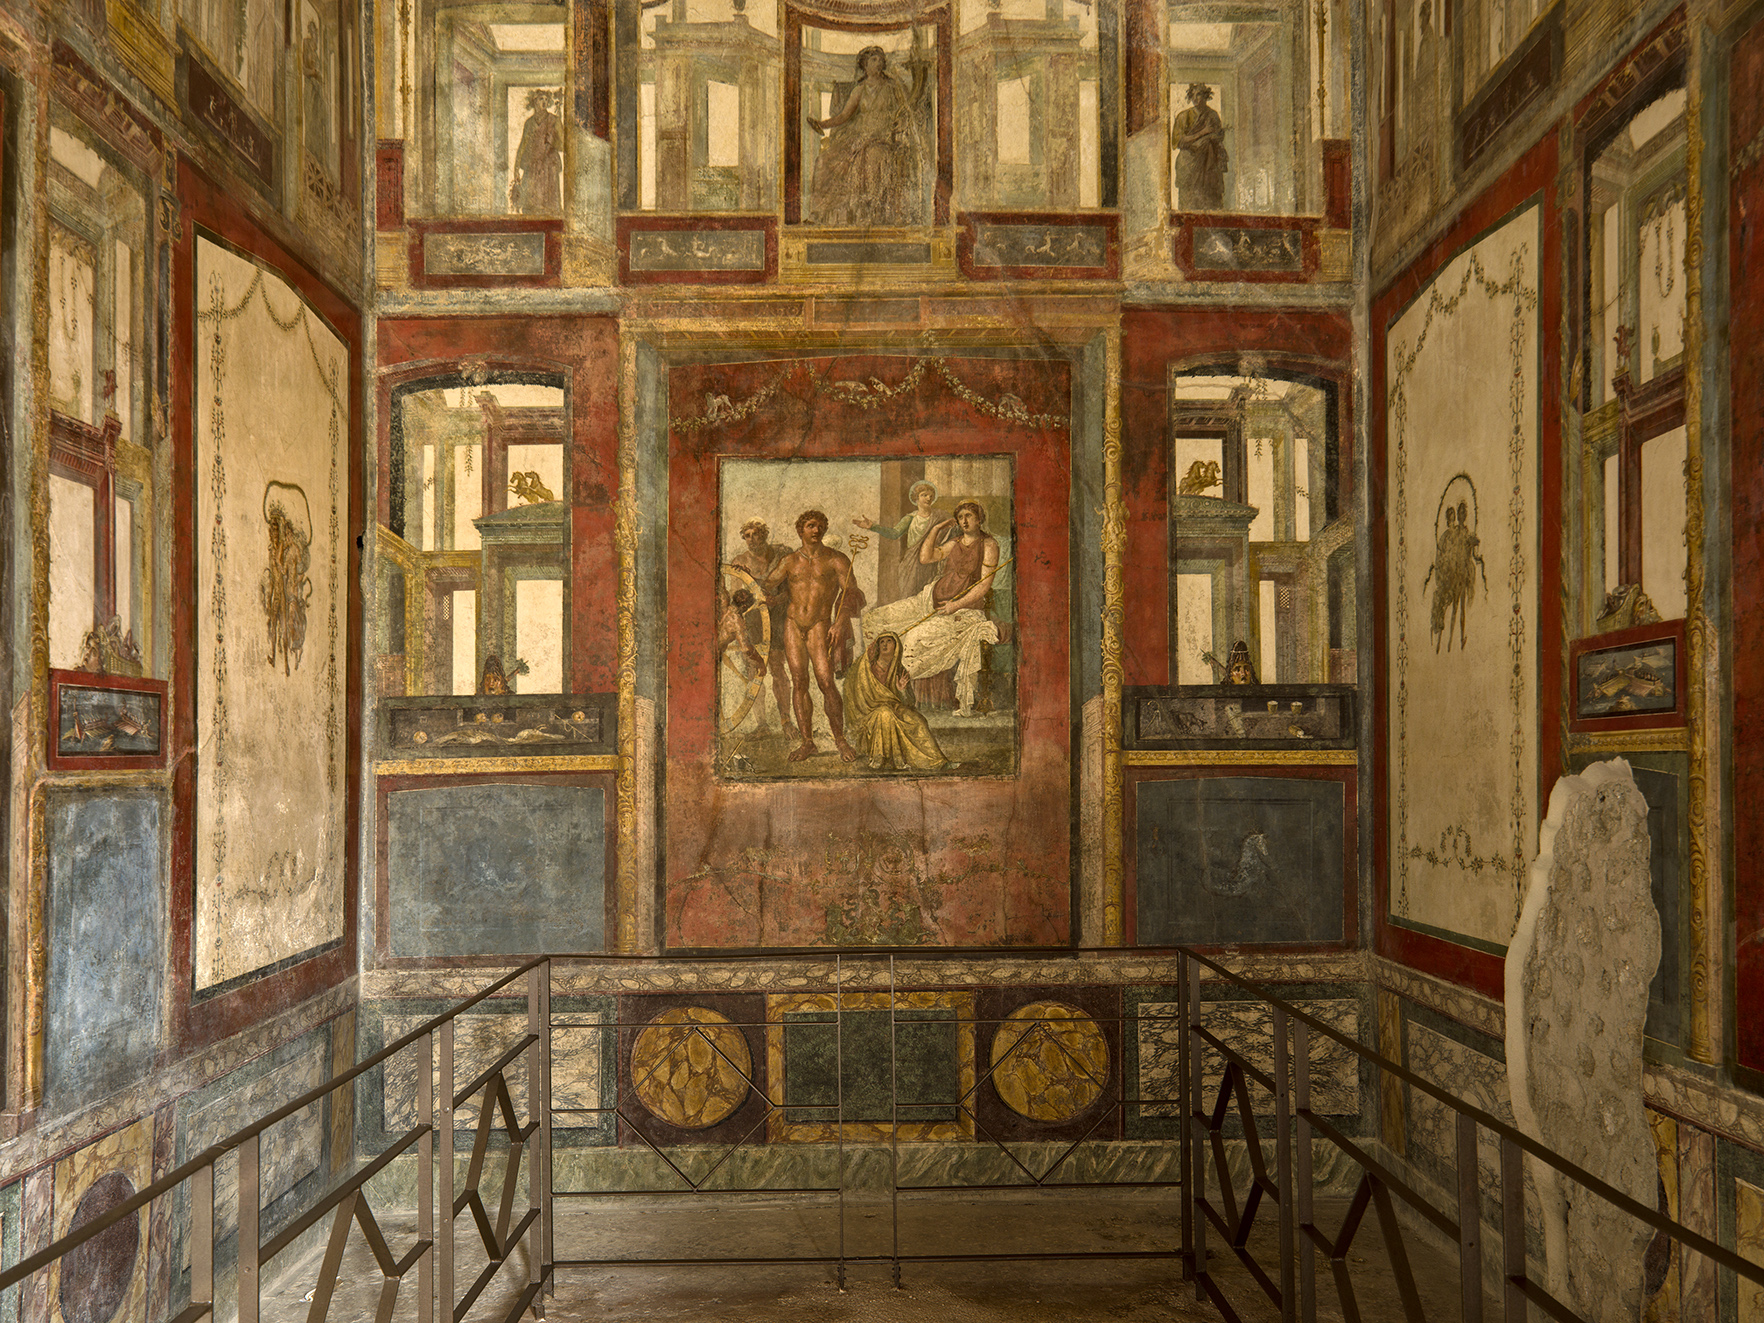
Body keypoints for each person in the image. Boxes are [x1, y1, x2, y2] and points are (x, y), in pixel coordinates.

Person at [860, 500, 1003, 718]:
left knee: (914, 637)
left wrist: (955, 605)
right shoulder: (955, 542)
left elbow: (983, 586)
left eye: (969, 516)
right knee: (876, 618)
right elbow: (926, 557)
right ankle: (870, 686)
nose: (963, 521)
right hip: (927, 601)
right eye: (960, 516)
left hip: (962, 611)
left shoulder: (988, 545)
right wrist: (935, 529)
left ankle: (894, 695)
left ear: (979, 518)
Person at [763, 510, 866, 762]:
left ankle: (840, 740)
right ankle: (807, 742)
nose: (816, 530)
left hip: (820, 625)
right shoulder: (788, 561)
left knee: (825, 682)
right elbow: (767, 584)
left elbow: (852, 595)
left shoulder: (836, 559)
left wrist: (840, 622)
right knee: (799, 681)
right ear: (801, 530)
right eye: (810, 526)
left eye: (820, 526)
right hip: (792, 624)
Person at [806, 44, 929, 227]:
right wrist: (821, 124)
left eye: (880, 60)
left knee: (873, 158)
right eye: (873, 59)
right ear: (865, 65)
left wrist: (901, 123)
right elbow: (844, 116)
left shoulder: (893, 86)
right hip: (858, 137)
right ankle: (818, 213)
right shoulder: (859, 90)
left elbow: (907, 109)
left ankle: (869, 214)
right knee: (824, 161)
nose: (878, 63)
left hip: (883, 139)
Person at [843, 633, 949, 771]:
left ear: (896, 646)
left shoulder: (899, 670)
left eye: (889, 641)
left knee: (917, 720)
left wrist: (902, 690)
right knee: (885, 714)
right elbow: (858, 695)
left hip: (895, 708)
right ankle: (882, 759)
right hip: (870, 713)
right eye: (882, 642)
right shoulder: (869, 669)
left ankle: (936, 762)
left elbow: (910, 703)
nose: (885, 645)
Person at [729, 519, 796, 738]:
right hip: (753, 621)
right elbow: (736, 600)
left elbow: (791, 590)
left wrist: (776, 601)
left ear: (764, 534)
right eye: (746, 535)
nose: (751, 539)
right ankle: (762, 725)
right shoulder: (739, 562)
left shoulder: (781, 556)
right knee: (754, 672)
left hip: (777, 618)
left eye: (755, 534)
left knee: (777, 667)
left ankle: (786, 721)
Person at [854, 480, 941, 596]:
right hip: (911, 564)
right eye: (924, 495)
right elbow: (894, 533)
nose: (928, 498)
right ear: (916, 498)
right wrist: (873, 527)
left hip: (930, 562)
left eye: (931, 496)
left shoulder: (939, 517)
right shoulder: (910, 518)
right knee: (910, 596)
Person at [1172, 83, 1228, 211]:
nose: (1195, 98)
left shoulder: (1213, 115)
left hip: (1208, 165)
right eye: (1193, 95)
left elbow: (1218, 137)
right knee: (1189, 201)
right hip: (1188, 164)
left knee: (1210, 200)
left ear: (1206, 96)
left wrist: (1214, 137)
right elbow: (1179, 141)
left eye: (1199, 95)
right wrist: (1203, 133)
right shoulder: (1183, 116)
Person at [511, 89, 563, 214]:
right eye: (541, 99)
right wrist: (516, 167)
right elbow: (523, 145)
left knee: (550, 207)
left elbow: (564, 146)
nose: (544, 102)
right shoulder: (529, 123)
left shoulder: (554, 120)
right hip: (533, 167)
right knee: (531, 206)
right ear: (534, 102)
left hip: (549, 168)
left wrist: (553, 142)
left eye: (546, 100)